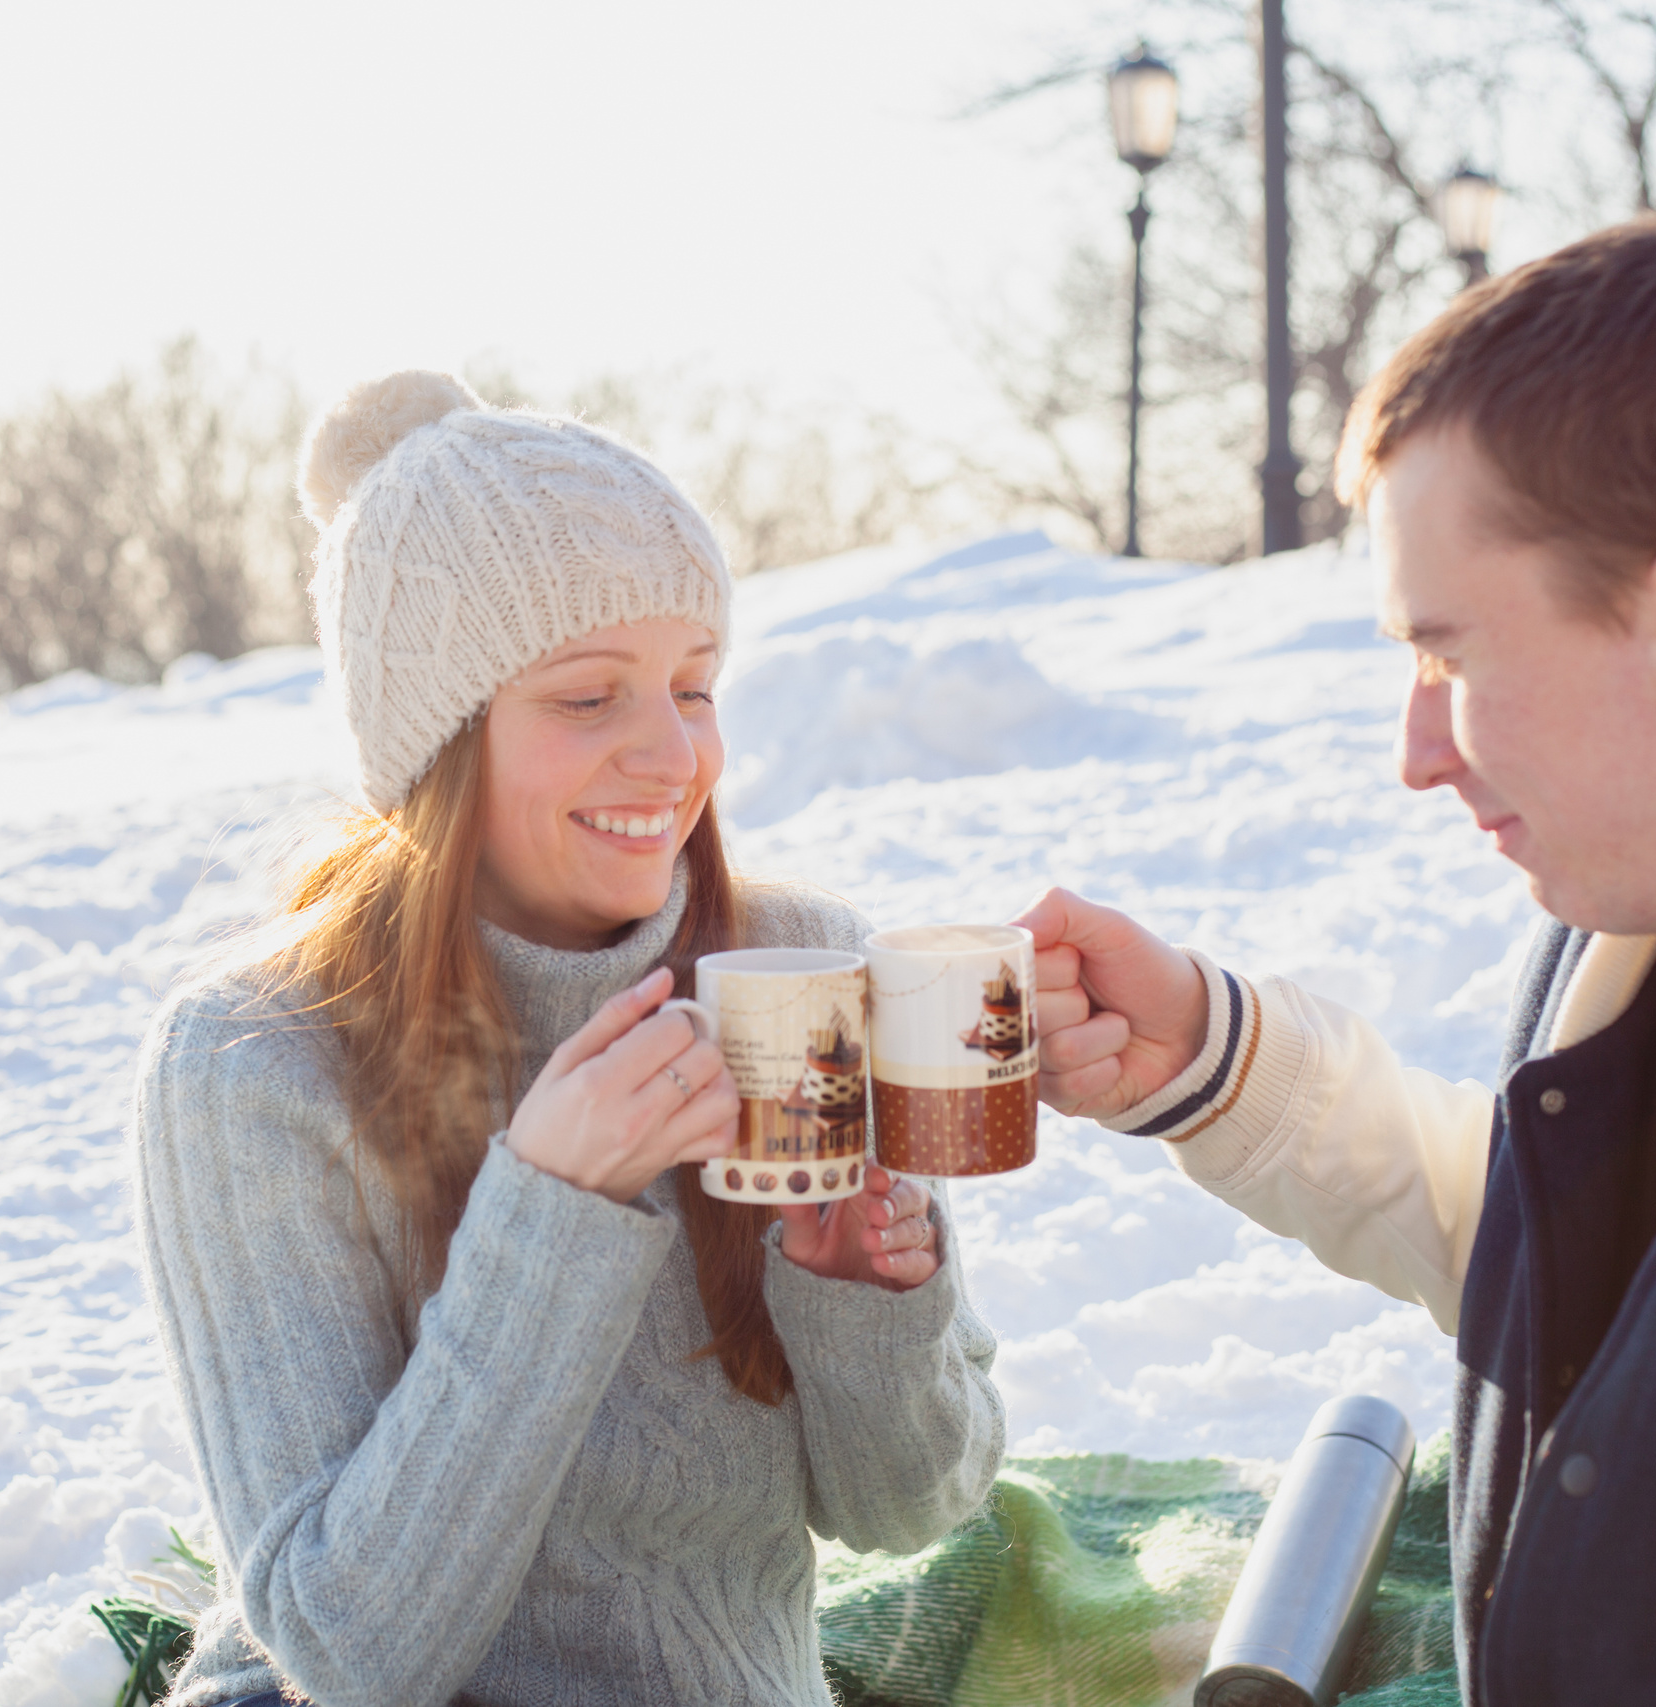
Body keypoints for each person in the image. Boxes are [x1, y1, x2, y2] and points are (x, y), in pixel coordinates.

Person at [1021, 217, 1656, 1700]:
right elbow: (1590, 1269)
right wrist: (1219, 1064)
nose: (1415, 754)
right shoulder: (1622, 946)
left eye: (1449, 658)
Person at [132, 371, 1004, 1707]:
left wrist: (865, 1296)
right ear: (439, 743)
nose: (672, 759)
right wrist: (554, 1209)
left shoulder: (795, 966)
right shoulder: (255, 1063)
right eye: (589, 698)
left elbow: (914, 1506)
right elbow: (348, 1649)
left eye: (694, 688)